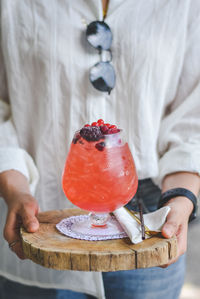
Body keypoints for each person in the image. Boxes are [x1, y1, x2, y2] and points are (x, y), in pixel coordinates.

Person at [0, 0, 200, 298]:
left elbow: (192, 119)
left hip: (147, 211)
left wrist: (181, 199)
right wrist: (14, 187)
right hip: (40, 213)